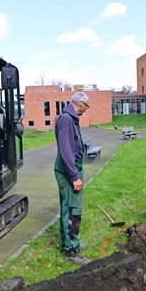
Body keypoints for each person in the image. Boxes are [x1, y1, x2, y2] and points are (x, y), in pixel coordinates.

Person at [54, 91, 91, 264]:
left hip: (71, 169)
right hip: (69, 172)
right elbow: (66, 151)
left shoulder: (70, 118)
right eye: (86, 106)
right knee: (72, 209)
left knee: (68, 207)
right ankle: (71, 250)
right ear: (81, 103)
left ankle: (68, 242)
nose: (86, 109)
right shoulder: (66, 119)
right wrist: (74, 177)